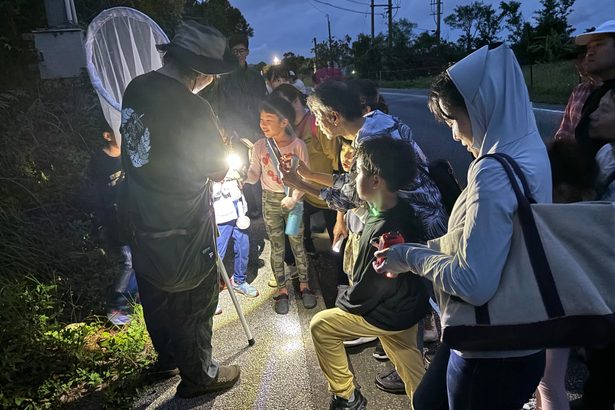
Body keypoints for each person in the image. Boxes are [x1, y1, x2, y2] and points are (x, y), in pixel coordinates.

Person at [374, 44, 550, 410]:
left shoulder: (492, 171)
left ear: (482, 106)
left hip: (489, 349)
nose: (454, 134)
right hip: (518, 336)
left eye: (454, 119)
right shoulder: (528, 147)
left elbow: (474, 282)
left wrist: (407, 256)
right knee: (426, 400)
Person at [118, 20, 240, 398]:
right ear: (202, 72)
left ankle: (167, 358)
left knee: (156, 290)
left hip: (139, 212)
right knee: (193, 296)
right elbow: (217, 169)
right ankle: (199, 376)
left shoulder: (136, 87)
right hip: (183, 218)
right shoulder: (194, 106)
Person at [309, 136, 430, 410]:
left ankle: (347, 397)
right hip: (407, 307)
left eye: (359, 171)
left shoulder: (391, 227)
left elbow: (380, 283)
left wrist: (347, 303)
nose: (354, 177)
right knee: (408, 362)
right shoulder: (389, 208)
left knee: (323, 326)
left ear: (376, 180)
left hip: (387, 310)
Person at [270, 83, 344, 307]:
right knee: (295, 234)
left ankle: (343, 288)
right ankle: (303, 272)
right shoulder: (286, 129)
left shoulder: (316, 125)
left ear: (296, 101)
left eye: (285, 105)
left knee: (339, 244)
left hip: (328, 196)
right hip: (303, 195)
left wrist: (341, 213)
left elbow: (339, 168)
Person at [244, 95, 316, 314]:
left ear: (284, 122)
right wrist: (243, 176)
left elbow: (306, 179)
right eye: (261, 119)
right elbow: (255, 175)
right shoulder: (259, 146)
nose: (262, 124)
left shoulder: (298, 146)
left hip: (293, 202)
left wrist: (294, 198)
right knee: (277, 246)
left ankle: (304, 285)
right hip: (270, 200)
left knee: (296, 244)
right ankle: (282, 289)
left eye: (268, 120)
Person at [203, 32, 267, 219]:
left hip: (259, 129)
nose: (239, 54)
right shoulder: (224, 79)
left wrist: (264, 127)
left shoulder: (256, 77)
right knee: (242, 169)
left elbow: (264, 102)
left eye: (242, 50)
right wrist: (231, 130)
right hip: (238, 133)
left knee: (262, 168)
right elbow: (223, 108)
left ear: (247, 52)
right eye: (235, 51)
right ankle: (252, 206)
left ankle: (265, 204)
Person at [88, 119, 138, 326]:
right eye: (116, 133)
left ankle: (132, 300)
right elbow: (93, 194)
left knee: (139, 259)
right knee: (128, 262)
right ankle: (115, 307)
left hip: (132, 218)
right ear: (107, 136)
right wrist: (100, 220)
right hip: (113, 222)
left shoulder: (128, 156)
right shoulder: (99, 162)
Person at [212, 172, 258, 298]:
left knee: (243, 248)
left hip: (239, 212)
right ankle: (211, 294)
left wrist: (241, 177)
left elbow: (243, 175)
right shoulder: (205, 160)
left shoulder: (229, 156)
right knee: (218, 256)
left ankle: (239, 281)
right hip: (220, 215)